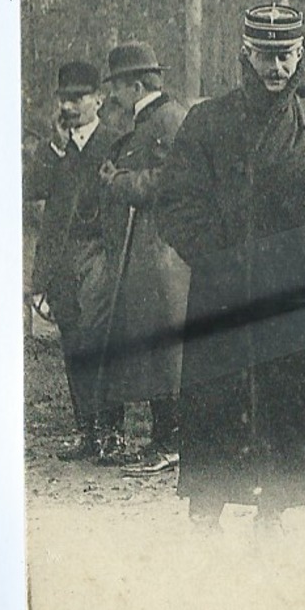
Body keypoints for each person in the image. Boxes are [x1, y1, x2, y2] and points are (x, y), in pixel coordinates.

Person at [155, 6, 305, 531]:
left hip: (292, 291)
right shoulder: (208, 122)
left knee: (287, 405)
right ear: (246, 53)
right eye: (265, 55)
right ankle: (206, 512)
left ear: (301, 54)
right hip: (226, 293)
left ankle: (274, 510)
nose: (276, 68)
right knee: (218, 405)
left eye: (285, 56)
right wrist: (220, 256)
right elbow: (175, 202)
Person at [94, 41, 190, 473]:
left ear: (134, 85)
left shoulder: (167, 119)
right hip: (150, 251)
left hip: (163, 251)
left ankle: (170, 442)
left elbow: (169, 182)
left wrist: (120, 182)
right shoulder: (149, 119)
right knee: (156, 343)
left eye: (115, 86)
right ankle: (164, 438)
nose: (111, 95)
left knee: (165, 345)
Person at [26, 61, 125, 461]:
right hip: (62, 260)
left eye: (77, 98)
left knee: (102, 342)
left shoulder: (115, 142)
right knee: (73, 344)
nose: (68, 106)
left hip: (100, 254)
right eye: (63, 99)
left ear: (98, 100)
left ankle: (112, 432)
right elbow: (31, 190)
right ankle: (87, 431)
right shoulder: (55, 150)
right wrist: (53, 148)